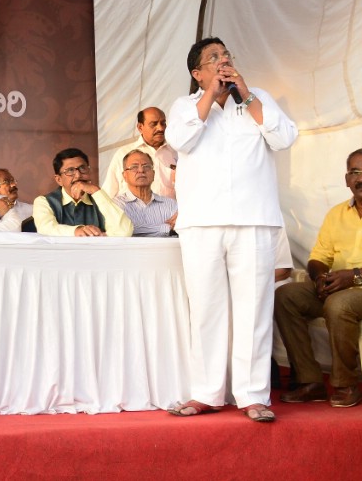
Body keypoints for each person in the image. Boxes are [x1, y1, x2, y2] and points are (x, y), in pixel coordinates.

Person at [165, 37, 297, 423]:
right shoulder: (185, 106)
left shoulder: (256, 99)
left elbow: (284, 137)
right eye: (214, 58)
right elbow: (180, 140)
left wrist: (248, 95)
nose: (224, 61)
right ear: (197, 73)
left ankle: (253, 396)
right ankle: (206, 393)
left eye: (226, 56)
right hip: (202, 223)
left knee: (255, 309)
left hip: (254, 220)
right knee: (206, 309)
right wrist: (209, 96)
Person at [275, 149, 362, 408]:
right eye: (355, 172)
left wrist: (354, 276)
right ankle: (309, 380)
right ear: (347, 179)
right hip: (340, 287)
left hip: (353, 289)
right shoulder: (337, 213)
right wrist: (320, 277)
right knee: (286, 296)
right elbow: (318, 257)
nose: (361, 178)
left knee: (339, 304)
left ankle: (346, 383)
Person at [32, 148, 133, 237]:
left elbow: (124, 231)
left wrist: (95, 191)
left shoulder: (99, 198)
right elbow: (46, 229)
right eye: (70, 170)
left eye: (82, 168)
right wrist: (77, 231)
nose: (78, 175)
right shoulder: (44, 201)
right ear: (59, 180)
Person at [101, 107, 178, 199]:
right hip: (130, 212)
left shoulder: (176, 153)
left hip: (170, 212)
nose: (160, 128)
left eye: (163, 123)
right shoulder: (123, 153)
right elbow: (108, 193)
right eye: (154, 124)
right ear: (140, 127)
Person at [112, 149, 178, 237]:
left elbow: (182, 228)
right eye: (134, 167)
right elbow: (124, 229)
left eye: (146, 166)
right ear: (125, 176)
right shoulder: (116, 205)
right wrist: (168, 228)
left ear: (153, 174)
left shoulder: (171, 205)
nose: (141, 170)